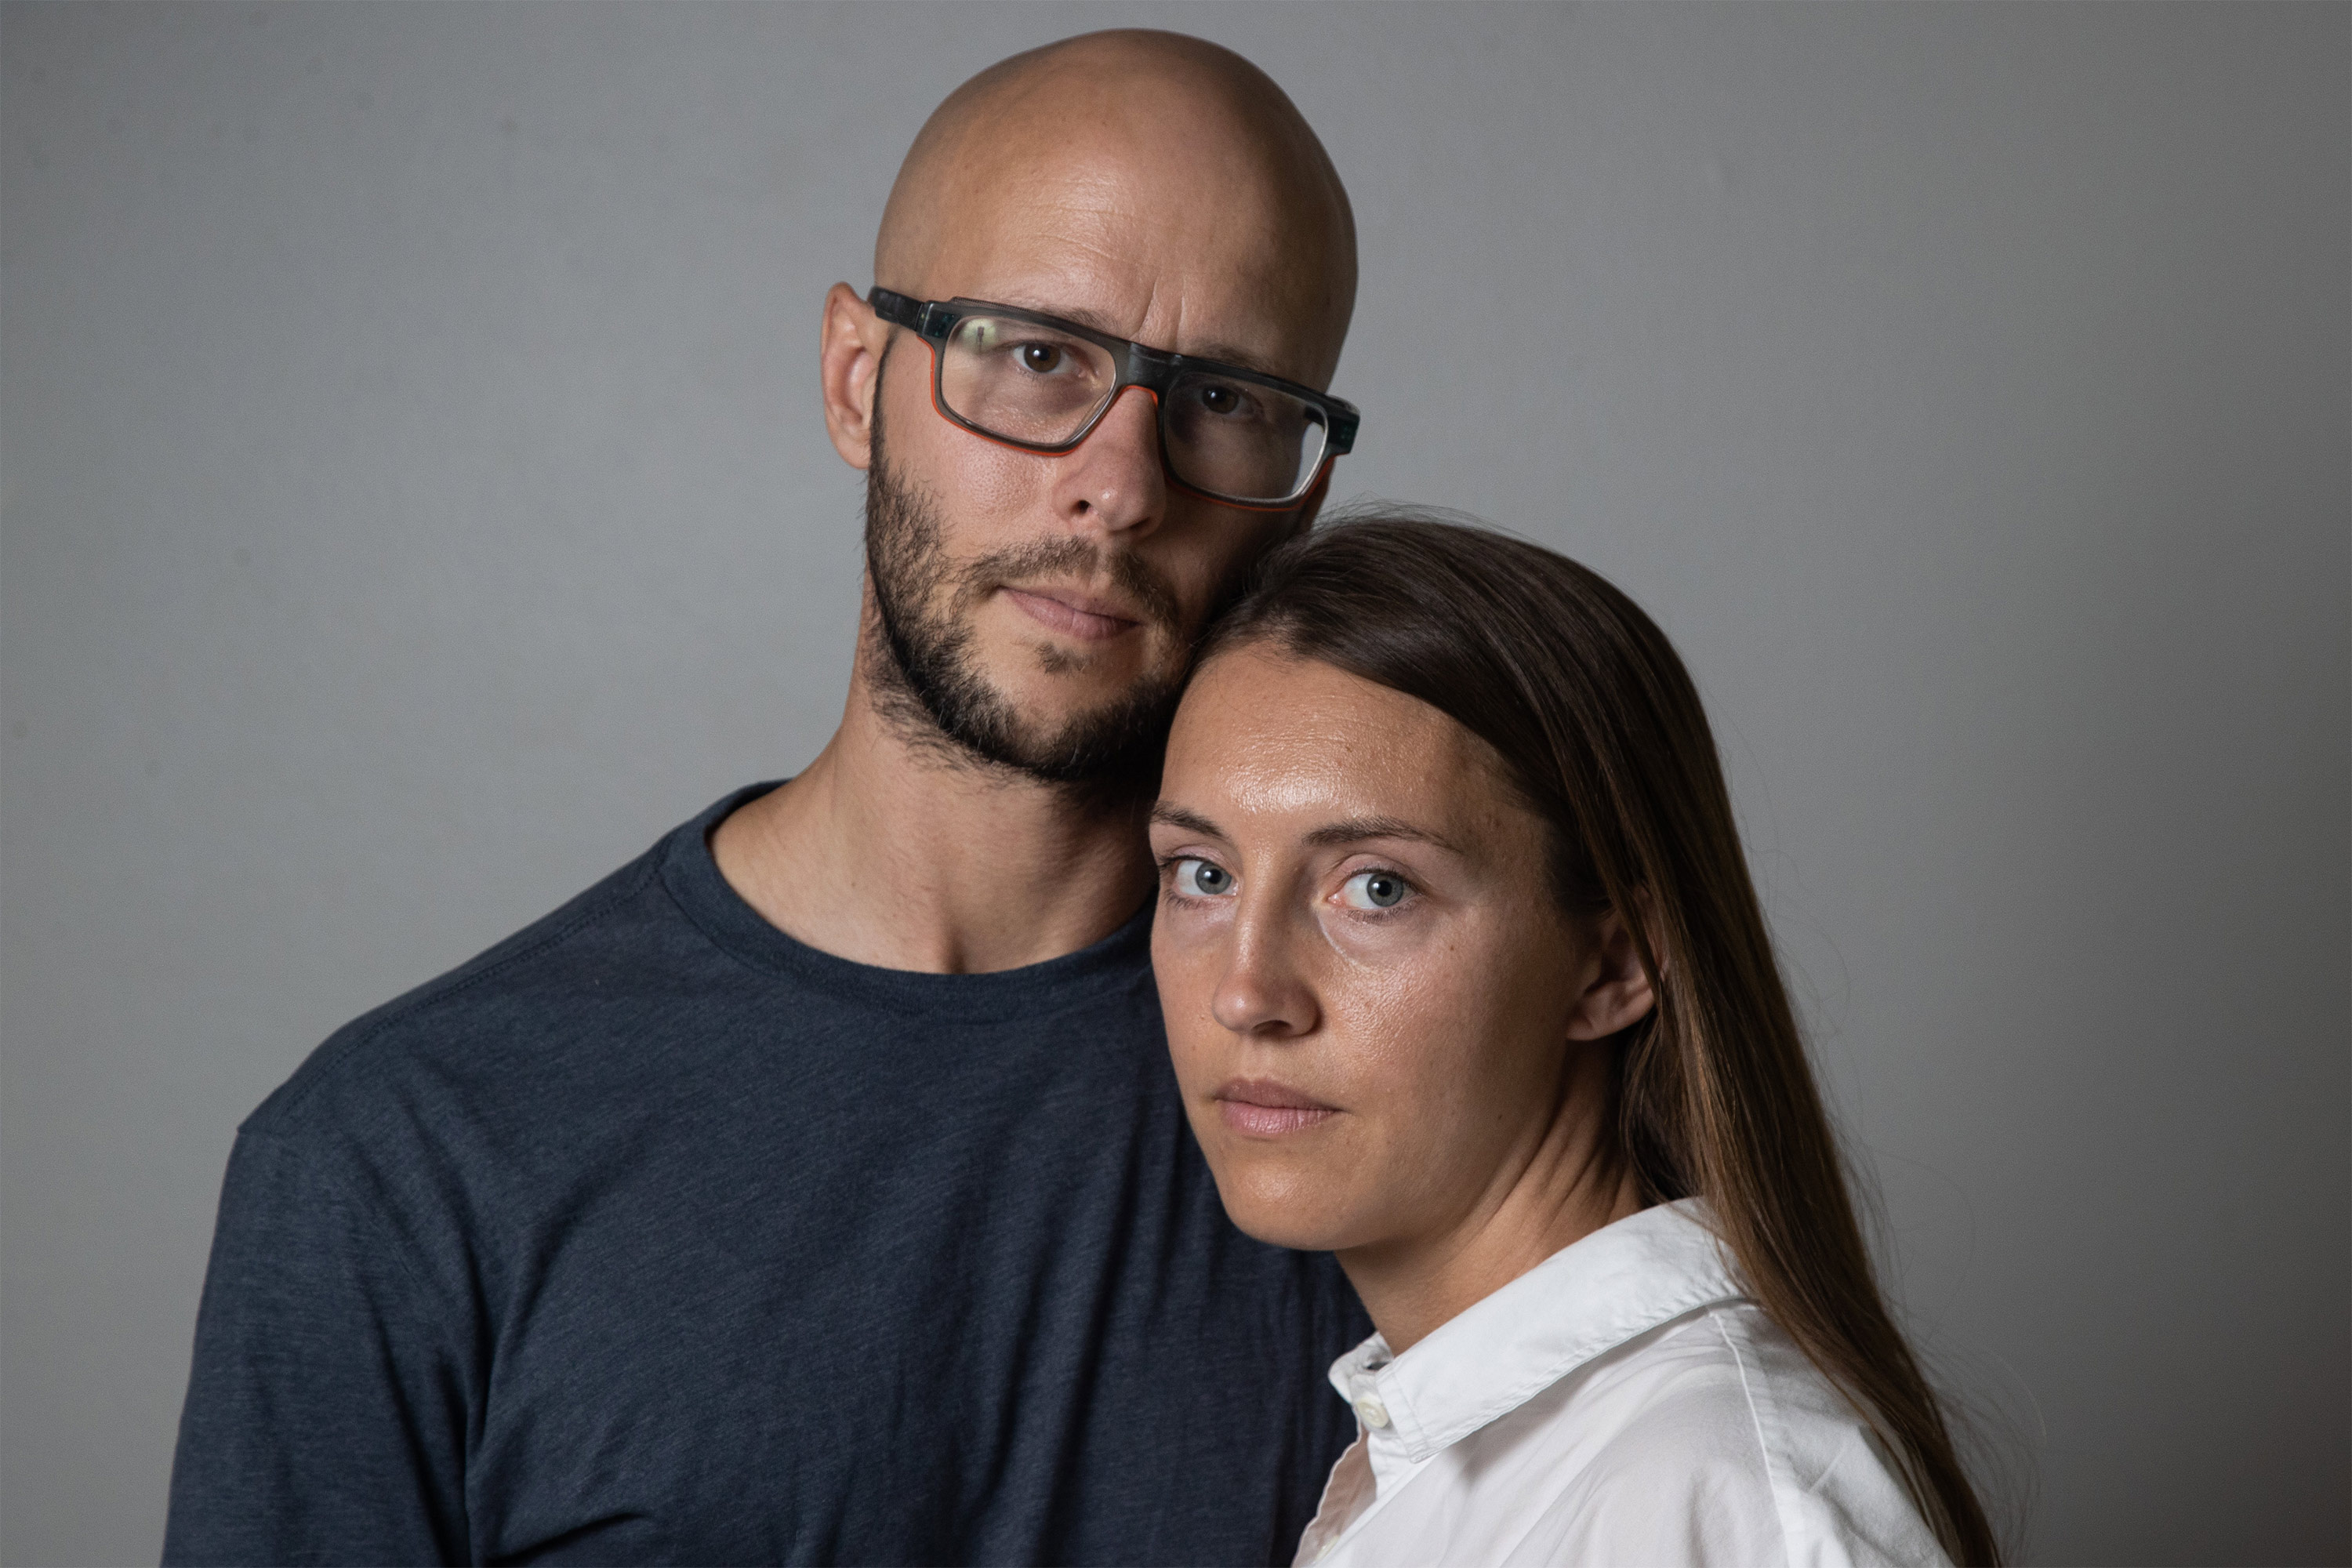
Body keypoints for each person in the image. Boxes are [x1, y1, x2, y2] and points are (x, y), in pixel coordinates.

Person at [165, 31, 1370, 1566]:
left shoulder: (1403, 1104)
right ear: (859, 381)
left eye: (1221, 397)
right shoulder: (403, 1158)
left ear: (1303, 488)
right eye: (1036, 354)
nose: (1118, 482)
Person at [1148, 514, 2002, 1567]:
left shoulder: (1708, 1495)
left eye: (1377, 888)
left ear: (1613, 964)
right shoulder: (1467, 1456)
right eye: (1203, 874)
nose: (1246, 994)